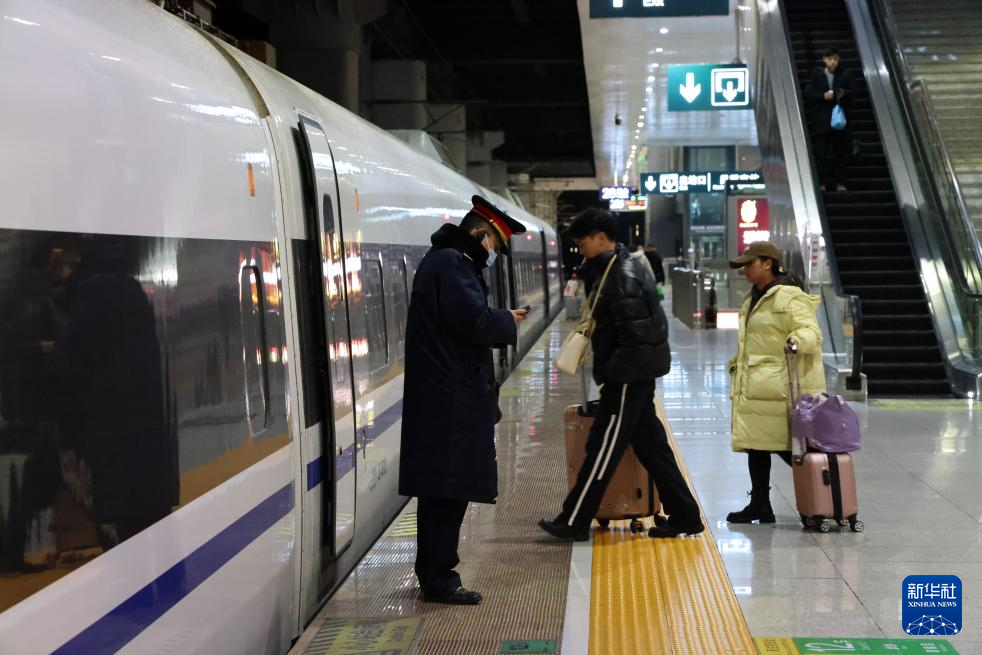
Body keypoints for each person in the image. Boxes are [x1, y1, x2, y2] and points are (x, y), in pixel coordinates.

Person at [538, 208, 703, 541]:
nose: (580, 249)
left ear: (601, 238)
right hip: (633, 375)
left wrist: (613, 374)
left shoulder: (621, 276)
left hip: (627, 378)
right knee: (652, 448)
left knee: (603, 446)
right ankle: (686, 516)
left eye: (583, 242)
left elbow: (636, 338)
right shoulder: (615, 270)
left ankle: (574, 521)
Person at [399, 195, 529, 605]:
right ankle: (439, 579)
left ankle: (435, 573)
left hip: (445, 396)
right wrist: (506, 319)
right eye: (493, 243)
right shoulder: (453, 264)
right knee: (447, 491)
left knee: (442, 491)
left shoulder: (447, 261)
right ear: (479, 232)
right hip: (449, 401)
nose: (492, 253)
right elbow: (472, 322)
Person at [725, 241, 824, 524]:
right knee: (756, 445)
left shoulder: (789, 297)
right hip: (758, 385)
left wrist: (796, 341)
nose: (744, 269)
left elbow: (811, 332)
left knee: (790, 449)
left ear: (768, 264)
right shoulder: (753, 298)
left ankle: (819, 503)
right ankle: (760, 504)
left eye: (750, 263)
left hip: (782, 389)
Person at [805, 46, 855, 192]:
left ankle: (840, 182)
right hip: (822, 120)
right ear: (824, 59)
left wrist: (843, 93)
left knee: (840, 153)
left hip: (840, 120)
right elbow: (809, 94)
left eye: (835, 59)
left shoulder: (845, 74)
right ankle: (822, 183)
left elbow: (853, 92)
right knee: (821, 153)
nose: (833, 62)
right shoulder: (817, 75)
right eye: (830, 59)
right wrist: (823, 96)